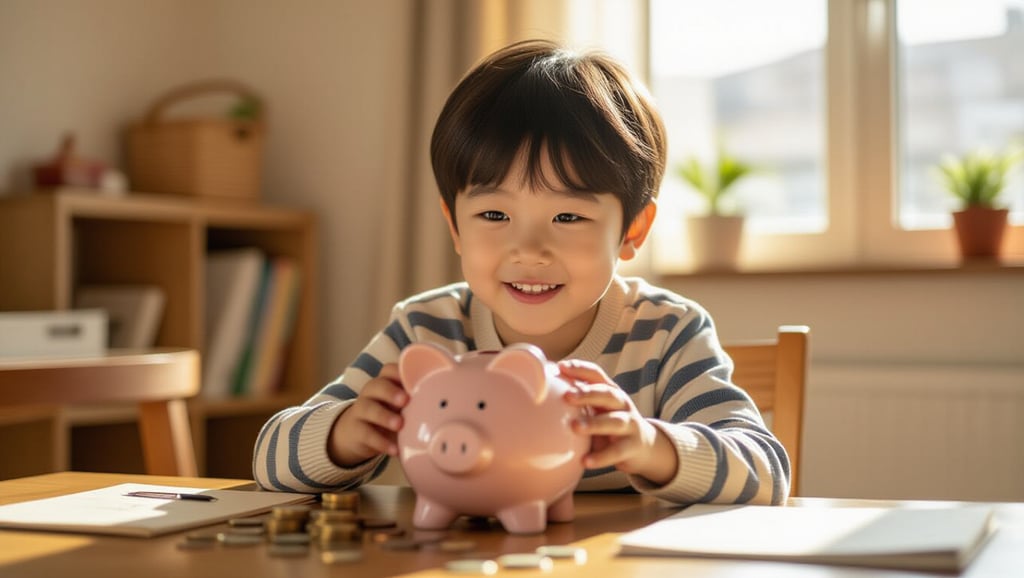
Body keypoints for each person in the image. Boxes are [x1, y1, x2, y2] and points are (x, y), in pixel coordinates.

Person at [252, 38, 789, 505]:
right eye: (493, 215)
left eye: (567, 216)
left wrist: (650, 446)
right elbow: (269, 461)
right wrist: (344, 434)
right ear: (454, 226)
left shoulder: (667, 333)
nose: (528, 250)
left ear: (632, 231)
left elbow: (766, 471)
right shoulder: (426, 331)